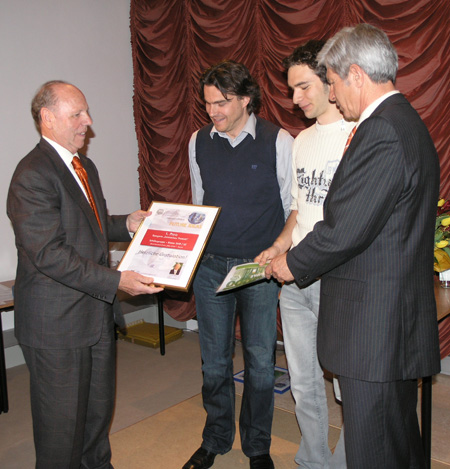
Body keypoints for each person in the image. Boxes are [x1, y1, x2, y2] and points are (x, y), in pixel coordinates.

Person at [264, 24, 441, 469]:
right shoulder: (404, 121)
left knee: (374, 449)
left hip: (373, 329)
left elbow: (345, 228)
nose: (334, 93)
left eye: (334, 81)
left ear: (356, 74)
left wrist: (291, 264)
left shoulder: (380, 130)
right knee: (397, 442)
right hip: (388, 321)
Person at [7, 80, 163, 469]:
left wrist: (125, 223)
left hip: (94, 316)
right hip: (56, 325)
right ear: (47, 118)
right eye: (76, 114)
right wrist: (118, 281)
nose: (88, 122)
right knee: (61, 431)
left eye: (86, 112)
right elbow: (49, 254)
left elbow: (88, 226)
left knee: (95, 420)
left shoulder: (83, 165)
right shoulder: (31, 175)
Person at [185, 60, 293, 469]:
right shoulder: (197, 142)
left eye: (222, 102)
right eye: (208, 103)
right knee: (213, 362)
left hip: (258, 269)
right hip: (212, 266)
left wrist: (279, 253)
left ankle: (258, 447)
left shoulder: (277, 140)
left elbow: (291, 207)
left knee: (261, 363)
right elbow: (198, 205)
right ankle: (215, 438)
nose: (213, 111)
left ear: (245, 99)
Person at [255, 40, 353, 468]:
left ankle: (351, 459)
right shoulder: (300, 140)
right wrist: (278, 246)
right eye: (291, 89)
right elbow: (300, 207)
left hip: (339, 279)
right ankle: (314, 460)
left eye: (303, 87)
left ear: (330, 80)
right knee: (304, 380)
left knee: (349, 385)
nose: (295, 99)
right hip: (294, 280)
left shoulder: (359, 134)